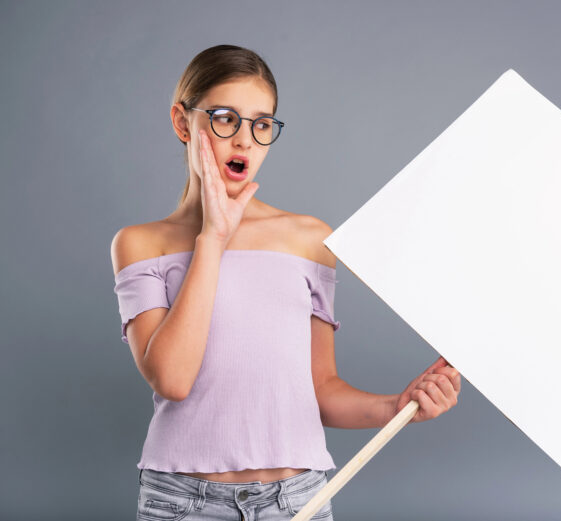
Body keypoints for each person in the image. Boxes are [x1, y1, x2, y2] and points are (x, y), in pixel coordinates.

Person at [111, 44, 461, 521]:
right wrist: (213, 238)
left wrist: (398, 405)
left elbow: (320, 390)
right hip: (182, 503)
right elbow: (172, 379)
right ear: (181, 122)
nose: (244, 141)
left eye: (260, 124)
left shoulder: (310, 239)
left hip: (297, 501)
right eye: (224, 118)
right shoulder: (139, 244)